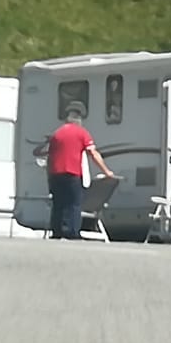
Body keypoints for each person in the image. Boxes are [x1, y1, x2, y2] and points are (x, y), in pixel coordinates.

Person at [47, 101, 115, 240]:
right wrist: (107, 171)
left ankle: (57, 232)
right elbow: (93, 154)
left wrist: (49, 177)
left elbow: (50, 158)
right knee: (74, 204)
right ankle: (73, 233)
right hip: (72, 173)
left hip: (55, 174)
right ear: (79, 120)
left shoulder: (56, 134)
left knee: (58, 204)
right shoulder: (82, 133)